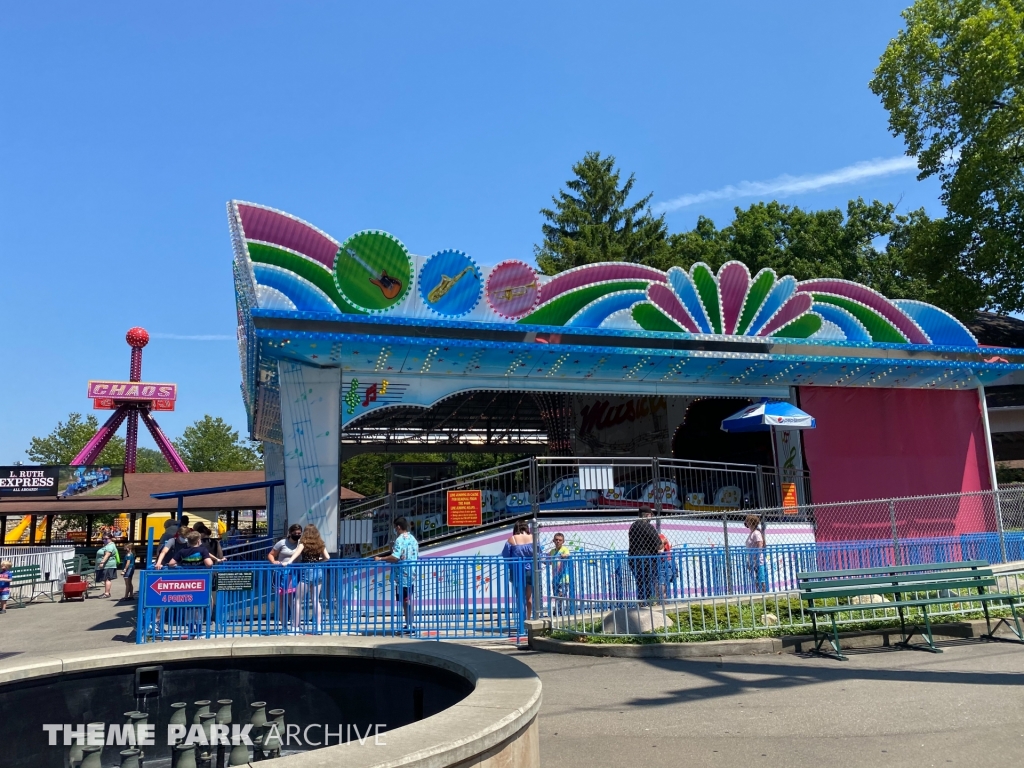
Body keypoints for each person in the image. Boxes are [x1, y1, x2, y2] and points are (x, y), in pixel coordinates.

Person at [374, 517, 419, 635]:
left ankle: (410, 625)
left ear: (398, 527)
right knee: (408, 599)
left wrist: (381, 558)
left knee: (406, 601)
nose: (395, 529)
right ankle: (410, 624)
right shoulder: (413, 539)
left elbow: (395, 557)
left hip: (402, 575)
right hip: (411, 574)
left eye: (395, 527)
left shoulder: (400, 540)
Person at [282, 524, 330, 632]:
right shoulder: (320, 544)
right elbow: (327, 557)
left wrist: (289, 562)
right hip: (318, 571)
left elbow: (296, 554)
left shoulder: (303, 543)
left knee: (297, 600)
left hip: (307, 571)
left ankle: (295, 627)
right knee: (316, 600)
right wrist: (319, 561)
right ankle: (318, 627)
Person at [269, 524, 303, 628]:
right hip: (282, 573)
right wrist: (274, 562)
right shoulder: (282, 543)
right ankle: (284, 625)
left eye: (299, 533)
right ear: (290, 533)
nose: (297, 535)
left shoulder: (300, 544)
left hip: (294, 574)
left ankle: (296, 624)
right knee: (282, 600)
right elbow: (271, 554)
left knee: (293, 600)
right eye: (295, 533)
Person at [627, 506, 660, 602]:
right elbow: (658, 545)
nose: (651, 517)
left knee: (640, 582)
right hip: (647, 559)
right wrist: (664, 543)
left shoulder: (633, 526)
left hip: (633, 558)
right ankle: (650, 602)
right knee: (649, 582)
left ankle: (641, 601)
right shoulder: (648, 527)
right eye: (651, 515)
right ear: (647, 515)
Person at [501, 520, 534, 617]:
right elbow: (538, 552)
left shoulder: (512, 539)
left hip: (517, 570)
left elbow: (505, 555)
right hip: (531, 569)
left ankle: (522, 619)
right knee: (529, 596)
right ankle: (528, 618)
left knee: (519, 596)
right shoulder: (533, 537)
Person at [547, 532, 570, 615]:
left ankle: (559, 611)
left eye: (560, 540)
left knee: (561, 595)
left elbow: (567, 554)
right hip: (555, 578)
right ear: (553, 541)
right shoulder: (552, 551)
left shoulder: (564, 549)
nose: (558, 541)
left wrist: (564, 556)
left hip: (563, 578)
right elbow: (548, 561)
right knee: (556, 596)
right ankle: (558, 610)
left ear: (563, 541)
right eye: (556, 540)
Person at [745, 514, 767, 591]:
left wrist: (756, 557)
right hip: (753, 560)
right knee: (756, 580)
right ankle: (759, 593)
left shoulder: (756, 533)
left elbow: (760, 545)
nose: (746, 523)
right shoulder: (752, 533)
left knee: (761, 580)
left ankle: (763, 594)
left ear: (751, 522)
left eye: (747, 521)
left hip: (757, 560)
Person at [95, 533, 119, 598]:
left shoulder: (110, 546)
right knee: (106, 579)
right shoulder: (107, 545)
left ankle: (107, 593)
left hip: (108, 565)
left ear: (110, 539)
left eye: (106, 539)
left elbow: (107, 555)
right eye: (103, 539)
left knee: (107, 579)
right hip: (107, 565)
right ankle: (107, 592)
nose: (104, 540)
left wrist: (102, 562)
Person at [657, 531, 676, 599]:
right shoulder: (662, 537)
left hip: (664, 561)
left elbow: (661, 550)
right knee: (665, 582)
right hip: (668, 561)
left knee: (662, 582)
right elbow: (669, 545)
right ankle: (664, 598)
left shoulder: (659, 537)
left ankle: (662, 598)